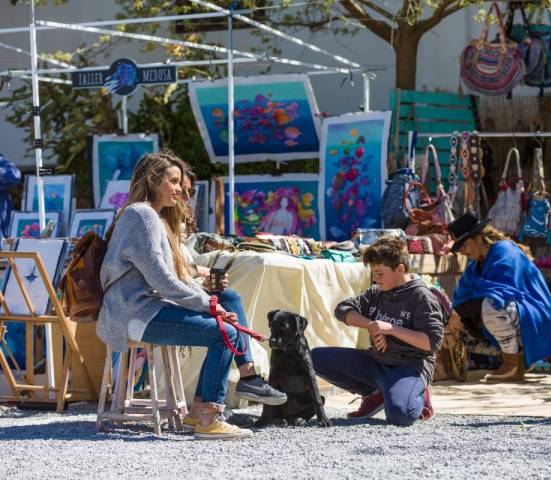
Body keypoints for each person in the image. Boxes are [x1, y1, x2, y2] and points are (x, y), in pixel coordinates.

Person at [97, 150, 250, 440]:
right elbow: (163, 280)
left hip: (143, 309)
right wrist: (209, 305)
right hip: (134, 313)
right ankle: (209, 417)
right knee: (225, 333)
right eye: (174, 181)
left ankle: (198, 413)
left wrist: (211, 304)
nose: (180, 189)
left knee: (226, 327)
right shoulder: (142, 215)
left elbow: (170, 278)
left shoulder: (148, 216)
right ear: (154, 180)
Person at [178, 166, 287, 409]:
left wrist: (202, 281)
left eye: (188, 190)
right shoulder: (152, 222)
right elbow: (169, 273)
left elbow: (177, 268)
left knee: (228, 304)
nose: (184, 195)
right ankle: (241, 381)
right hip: (162, 302)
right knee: (226, 326)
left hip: (180, 291)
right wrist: (200, 280)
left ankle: (202, 407)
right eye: (178, 187)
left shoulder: (173, 225)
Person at [311, 237, 444, 426]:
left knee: (400, 416)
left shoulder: (422, 297)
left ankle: (420, 393)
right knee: (314, 358)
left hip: (409, 366)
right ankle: (375, 393)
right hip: (376, 361)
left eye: (380, 274)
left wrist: (391, 329)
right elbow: (342, 310)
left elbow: (432, 342)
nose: (375, 279)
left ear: (400, 269)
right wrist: (372, 326)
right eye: (373, 273)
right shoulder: (376, 292)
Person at [448, 211, 551, 383]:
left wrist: (464, 309)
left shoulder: (505, 251)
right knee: (456, 322)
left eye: (464, 245)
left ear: (478, 239)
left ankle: (512, 364)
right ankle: (521, 358)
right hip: (517, 315)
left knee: (491, 304)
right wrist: (455, 314)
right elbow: (462, 294)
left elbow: (501, 291)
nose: (462, 251)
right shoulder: (476, 264)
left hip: (536, 315)